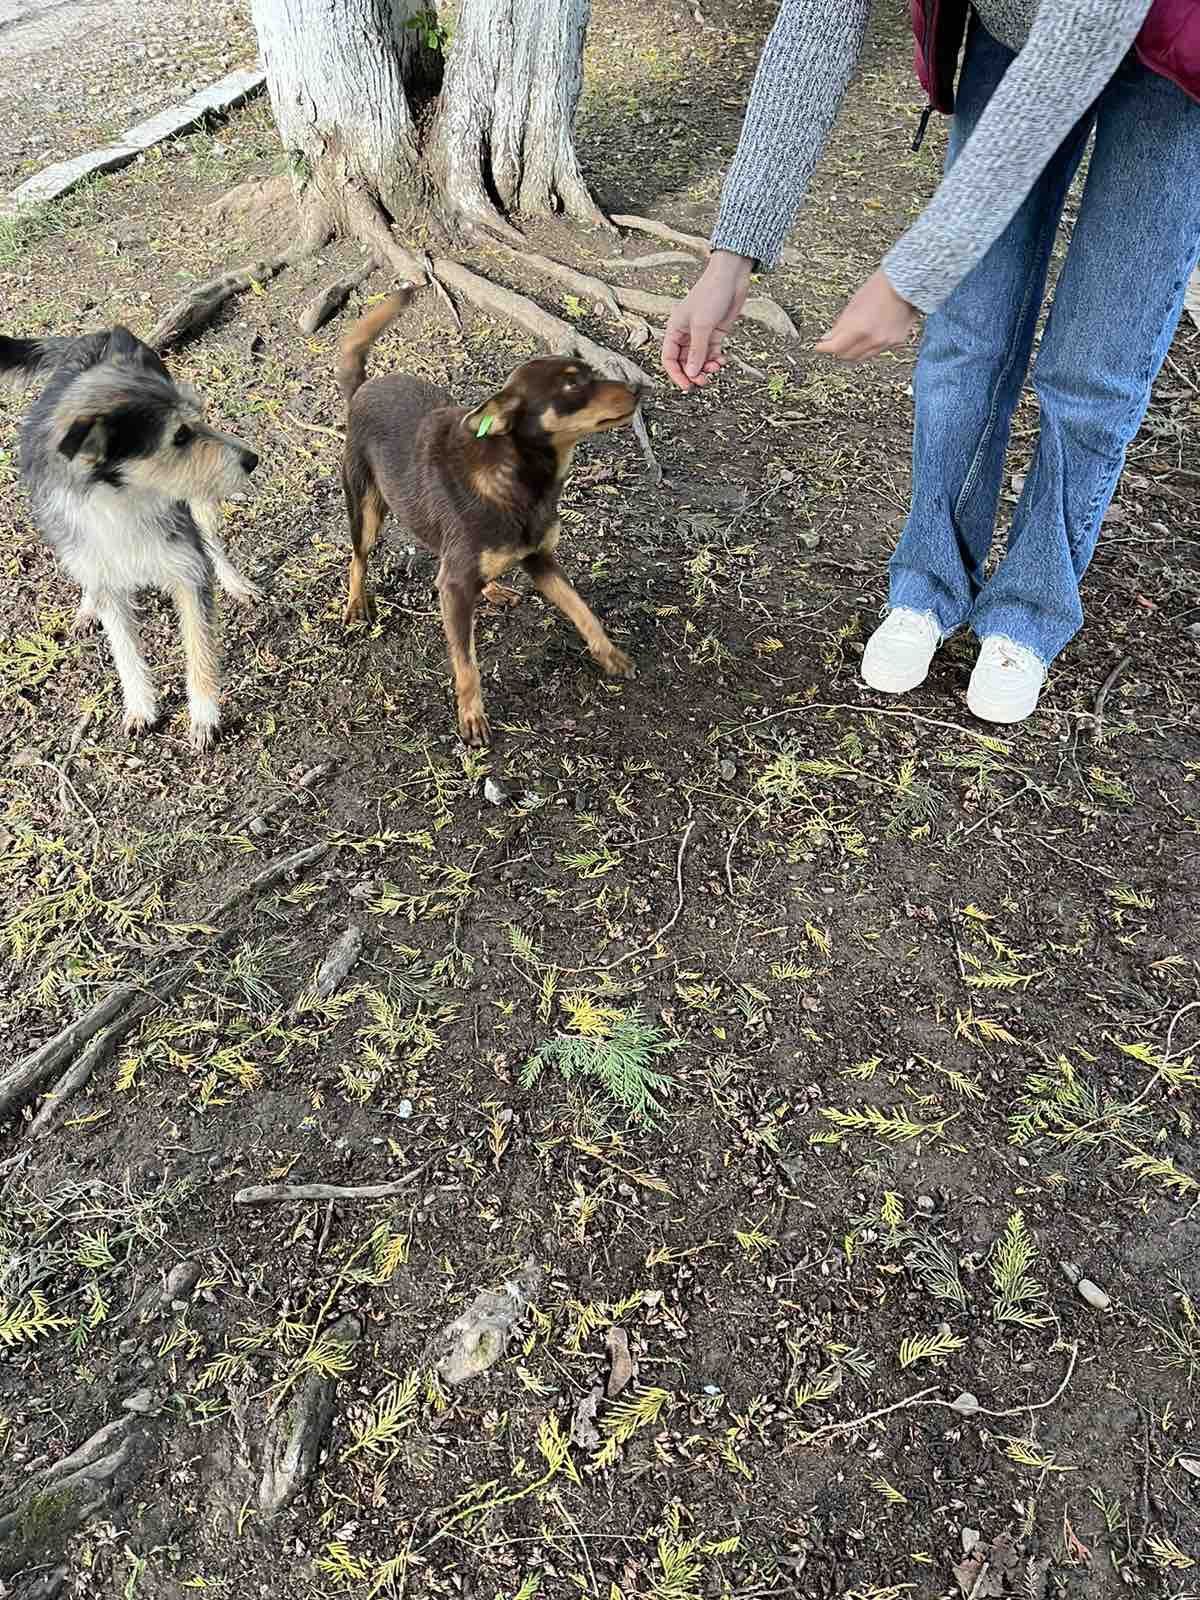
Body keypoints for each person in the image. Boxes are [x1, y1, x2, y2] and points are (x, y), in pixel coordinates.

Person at [662, 0, 1200, 724]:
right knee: (969, 331)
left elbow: (1081, 38)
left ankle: (1030, 612)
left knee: (1093, 364)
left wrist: (908, 278)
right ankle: (928, 583)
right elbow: (817, 26)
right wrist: (732, 257)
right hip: (1013, 32)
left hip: (1177, 56)